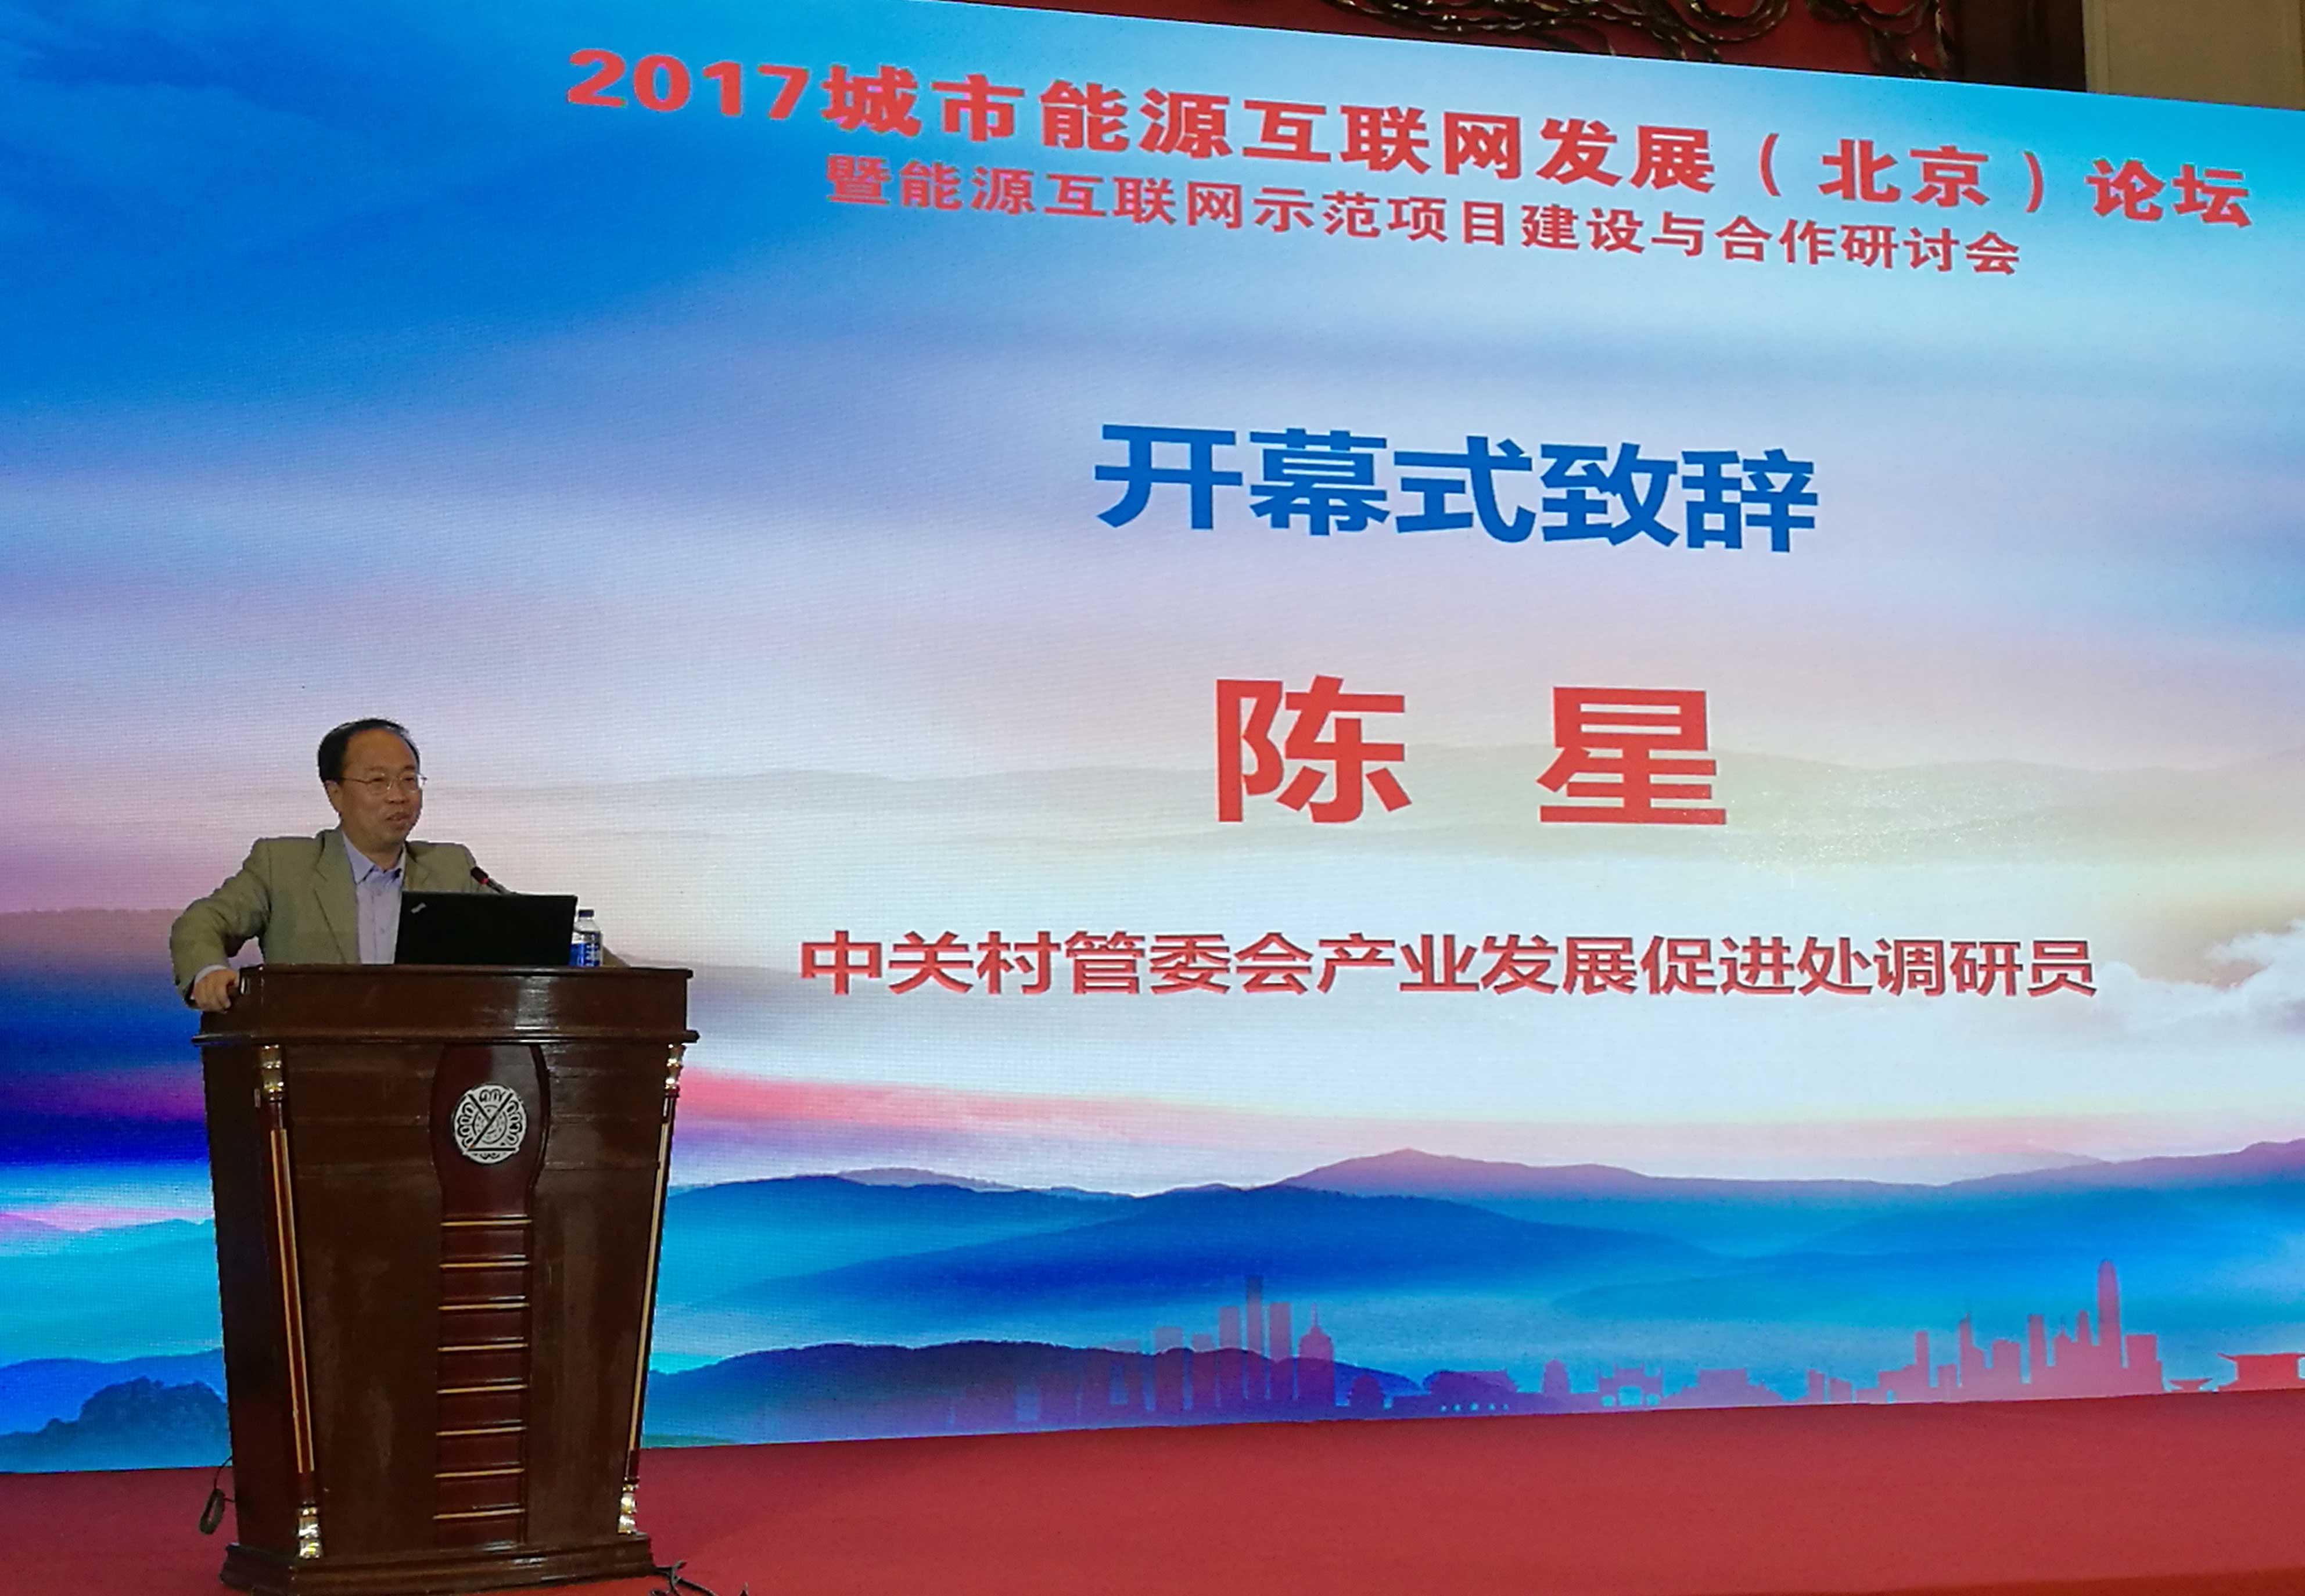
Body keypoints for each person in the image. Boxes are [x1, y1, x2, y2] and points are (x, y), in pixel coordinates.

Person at [170, 718, 490, 1011]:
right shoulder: (282, 866)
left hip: (427, 1049)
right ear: (335, 793)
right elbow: (202, 922)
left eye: (409, 779)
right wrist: (209, 972)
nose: (399, 796)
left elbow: (513, 930)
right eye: (378, 781)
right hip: (311, 1048)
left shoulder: (452, 867)